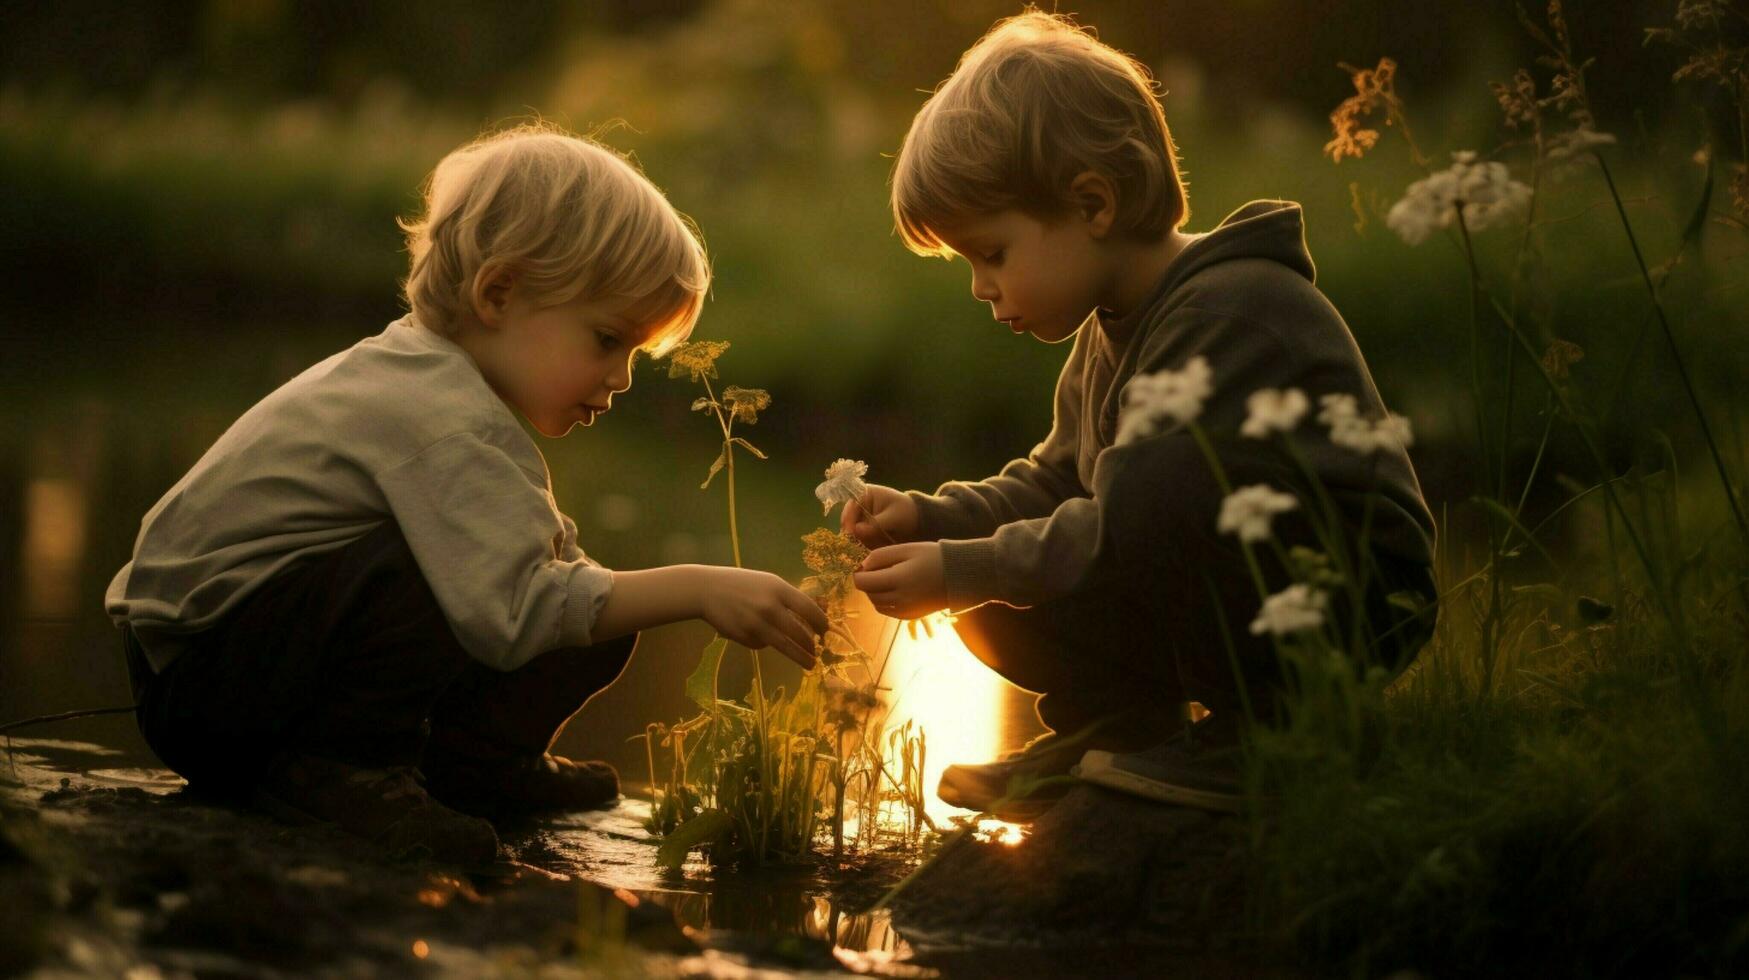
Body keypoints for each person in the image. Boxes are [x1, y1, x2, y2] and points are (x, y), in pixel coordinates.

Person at [105, 124, 829, 865]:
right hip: (208, 682)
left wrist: (637, 592)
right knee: (467, 574)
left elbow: (546, 579)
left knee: (580, 594)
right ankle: (339, 772)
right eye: (607, 341)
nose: (620, 378)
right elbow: (518, 606)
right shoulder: (434, 417)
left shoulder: (443, 389)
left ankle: (472, 768)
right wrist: (697, 587)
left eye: (634, 354)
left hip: (247, 665)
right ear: (499, 292)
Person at [846, 12, 1437, 818]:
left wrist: (960, 566)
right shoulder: (1106, 330)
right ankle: (1113, 728)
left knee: (1129, 497)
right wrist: (930, 520)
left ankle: (1280, 732)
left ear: (1092, 204)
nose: (980, 286)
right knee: (991, 585)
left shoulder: (1228, 311)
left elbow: (1138, 514)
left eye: (992, 253)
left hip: (1346, 600)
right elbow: (1059, 481)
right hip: (1203, 567)